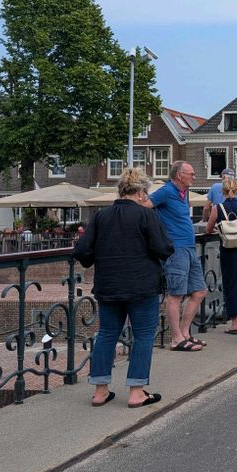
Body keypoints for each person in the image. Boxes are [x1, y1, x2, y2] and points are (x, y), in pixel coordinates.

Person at [74, 168, 173, 408]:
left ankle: (100, 391)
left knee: (107, 334)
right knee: (143, 336)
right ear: (140, 193)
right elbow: (163, 248)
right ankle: (136, 392)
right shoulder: (146, 216)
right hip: (142, 285)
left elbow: (82, 251)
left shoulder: (101, 217)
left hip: (108, 285)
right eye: (145, 193)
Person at [148, 161, 208, 352]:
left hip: (189, 247)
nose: (194, 177)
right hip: (176, 249)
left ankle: (185, 333)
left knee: (199, 291)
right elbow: (145, 205)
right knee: (176, 294)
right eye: (191, 174)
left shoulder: (184, 193)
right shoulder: (166, 191)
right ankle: (176, 339)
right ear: (179, 175)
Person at [207, 176, 237, 334]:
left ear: (223, 191)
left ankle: (234, 323)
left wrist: (218, 229)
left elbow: (208, 229)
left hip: (227, 250)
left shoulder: (217, 208)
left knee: (230, 284)